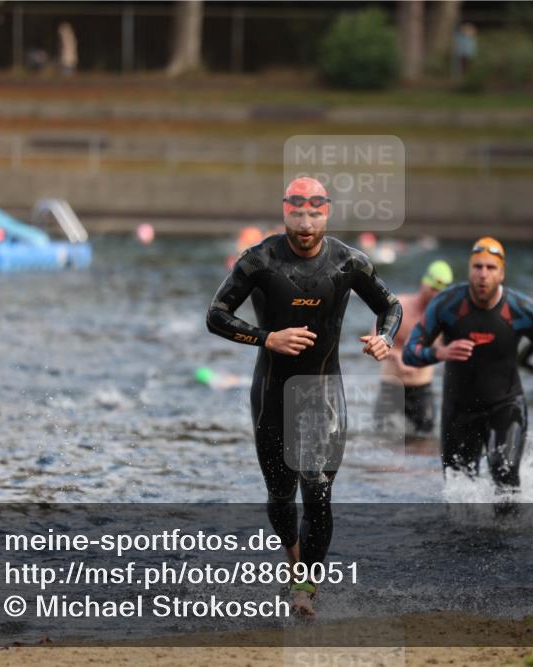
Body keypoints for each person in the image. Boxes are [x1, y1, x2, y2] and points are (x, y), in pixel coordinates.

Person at [206, 177, 402, 618]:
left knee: (317, 490)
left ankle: (304, 589)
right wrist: (267, 338)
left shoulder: (349, 262)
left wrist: (384, 338)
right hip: (271, 392)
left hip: (324, 393)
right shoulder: (259, 260)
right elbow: (216, 315)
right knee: (280, 497)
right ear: (285, 213)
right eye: (298, 216)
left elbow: (390, 306)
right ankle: (295, 559)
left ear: (326, 213)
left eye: (314, 215)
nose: (306, 226)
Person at [402, 237, 533, 496]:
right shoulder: (446, 304)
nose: (483, 274)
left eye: (490, 268)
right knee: (459, 488)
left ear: (501, 273)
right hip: (458, 410)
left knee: (504, 472)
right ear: (469, 270)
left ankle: (513, 522)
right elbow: (410, 352)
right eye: (477, 267)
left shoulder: (523, 310)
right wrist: (440, 352)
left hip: (505, 406)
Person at [374, 260, 453, 436]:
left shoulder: (442, 318)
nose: (435, 294)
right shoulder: (398, 306)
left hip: (421, 389)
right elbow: (374, 339)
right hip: (391, 387)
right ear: (423, 283)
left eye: (440, 291)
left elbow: (447, 350)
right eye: (433, 288)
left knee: (424, 442)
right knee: (382, 441)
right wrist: (398, 358)